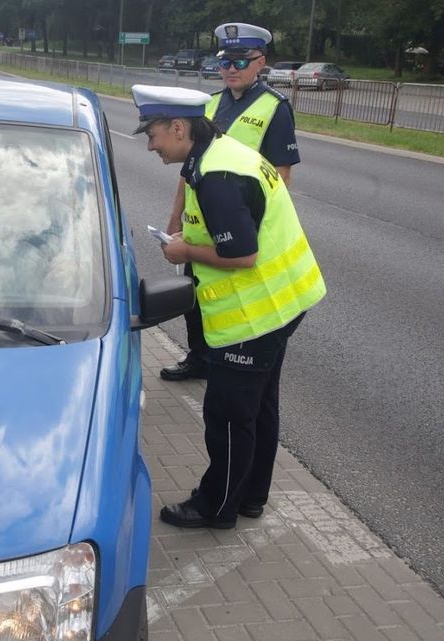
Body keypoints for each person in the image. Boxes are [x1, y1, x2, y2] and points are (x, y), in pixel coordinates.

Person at [131, 84, 326, 528]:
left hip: (256, 315)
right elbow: (230, 229)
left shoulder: (217, 175)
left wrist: (183, 253)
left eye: (153, 134)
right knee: (259, 407)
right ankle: (251, 495)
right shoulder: (219, 153)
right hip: (285, 300)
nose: (150, 145)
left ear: (179, 128)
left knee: (228, 416)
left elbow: (242, 254)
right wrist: (190, 238)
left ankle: (216, 507)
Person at [160, 22, 301, 383]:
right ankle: (200, 357)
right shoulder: (208, 105)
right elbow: (189, 168)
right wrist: (175, 216)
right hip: (199, 223)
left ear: (261, 63)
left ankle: (229, 359)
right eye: (225, 62)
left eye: (241, 62)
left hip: (237, 224)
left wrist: (249, 227)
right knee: (197, 295)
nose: (231, 70)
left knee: (233, 299)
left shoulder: (274, 108)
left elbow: (281, 177)